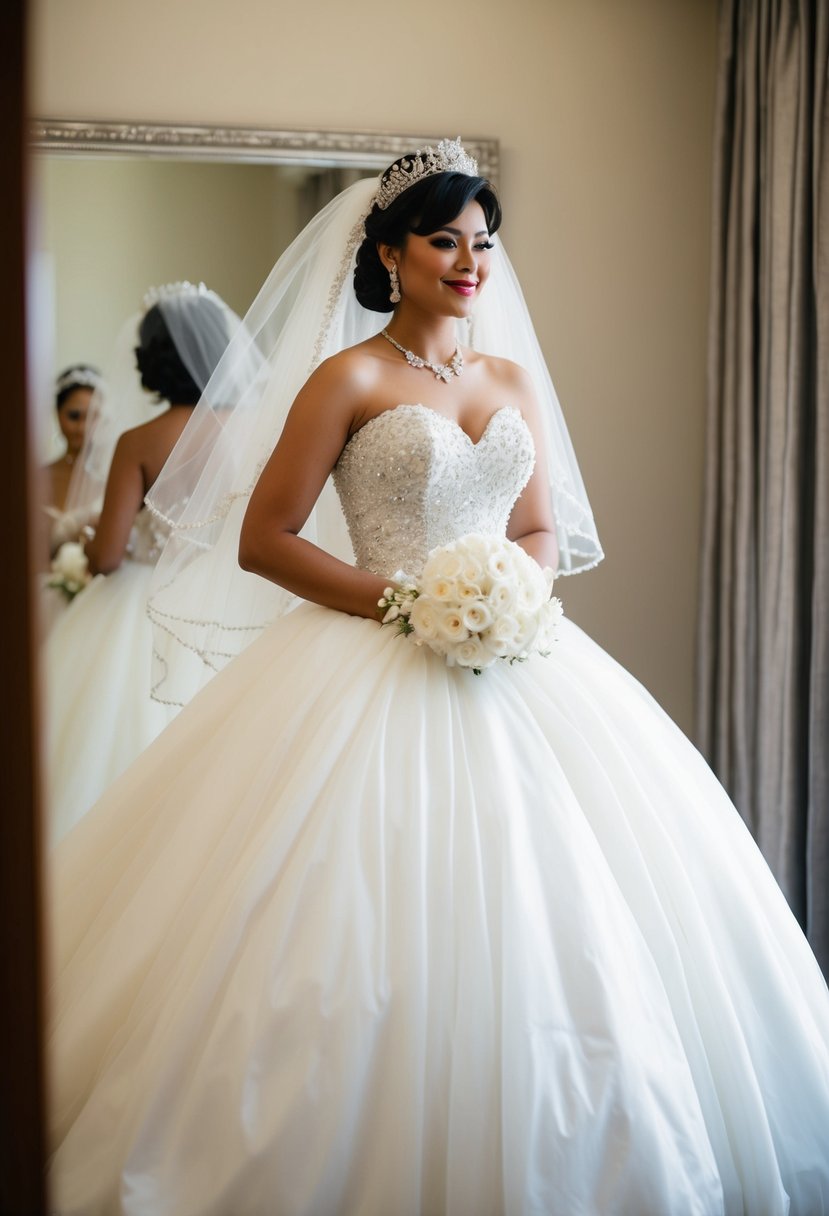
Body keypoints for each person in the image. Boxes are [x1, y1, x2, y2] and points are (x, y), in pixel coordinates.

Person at [46, 142, 829, 1215]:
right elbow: (265, 539)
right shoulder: (348, 378)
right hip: (370, 650)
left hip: (519, 654)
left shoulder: (508, 380)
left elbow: (541, 524)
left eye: (483, 244)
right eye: (445, 240)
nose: (469, 262)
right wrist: (405, 605)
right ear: (389, 252)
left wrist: (513, 596)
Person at [43, 283, 244, 845]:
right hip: (228, 607)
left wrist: (84, 543)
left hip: (140, 608)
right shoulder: (256, 428)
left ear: (151, 359)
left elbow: (106, 556)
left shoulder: (139, 441)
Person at [42, 364, 100, 520]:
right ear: (58, 414)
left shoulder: (112, 476)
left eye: (91, 418)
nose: (82, 427)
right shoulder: (37, 477)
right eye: (74, 416)